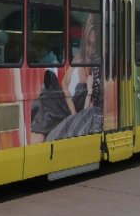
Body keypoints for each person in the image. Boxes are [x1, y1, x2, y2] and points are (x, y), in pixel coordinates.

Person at [31, 14, 104, 142]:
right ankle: (38, 141)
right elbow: (64, 84)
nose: (90, 50)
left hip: (71, 113)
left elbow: (87, 112)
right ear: (83, 42)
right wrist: (72, 110)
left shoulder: (95, 69)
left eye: (94, 45)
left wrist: (89, 92)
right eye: (88, 44)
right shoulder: (78, 58)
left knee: (45, 109)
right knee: (49, 83)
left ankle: (37, 143)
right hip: (65, 107)